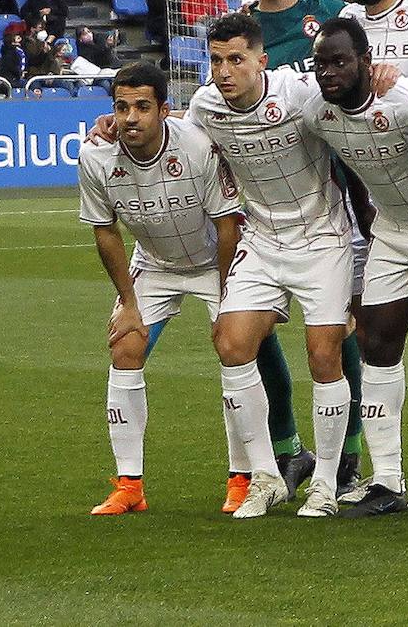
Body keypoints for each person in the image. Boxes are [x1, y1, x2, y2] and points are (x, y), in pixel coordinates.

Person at [300, 19, 408, 517]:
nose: (330, 73)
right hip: (391, 233)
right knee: (376, 343)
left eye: (340, 62)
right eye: (322, 64)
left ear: (364, 61)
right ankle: (388, 480)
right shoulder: (317, 111)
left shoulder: (407, 101)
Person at [184, 13, 355, 519]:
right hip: (260, 240)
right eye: (216, 61)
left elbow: (356, 103)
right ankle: (266, 475)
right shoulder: (204, 106)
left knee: (324, 355)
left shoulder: (301, 93)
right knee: (231, 343)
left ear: (262, 60)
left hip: (322, 237)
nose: (224, 71)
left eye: (236, 59)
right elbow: (179, 139)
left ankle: (325, 481)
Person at [78, 62, 245, 516]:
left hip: (215, 262)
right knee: (124, 348)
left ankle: (241, 478)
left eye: (143, 107)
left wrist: (229, 293)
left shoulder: (196, 147)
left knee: (234, 347)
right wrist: (128, 303)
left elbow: (228, 225)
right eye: (122, 107)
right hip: (153, 265)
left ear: (165, 110)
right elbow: (105, 232)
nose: (131, 117)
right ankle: (129, 484)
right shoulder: (95, 156)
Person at [240, 0, 359, 492]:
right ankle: (288, 445)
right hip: (261, 206)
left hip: (338, 195)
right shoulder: (239, 32)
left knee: (343, 328)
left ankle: (352, 451)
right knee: (250, 327)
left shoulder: (333, 19)